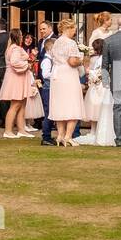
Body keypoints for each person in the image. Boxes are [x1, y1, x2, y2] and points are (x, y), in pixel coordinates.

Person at [48, 18, 85, 147]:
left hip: (57, 76)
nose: (75, 31)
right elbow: (72, 62)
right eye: (74, 29)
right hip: (68, 75)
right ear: (68, 29)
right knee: (73, 104)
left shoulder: (56, 42)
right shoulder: (70, 43)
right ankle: (68, 137)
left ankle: (60, 136)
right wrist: (81, 59)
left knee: (60, 105)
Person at [0, 32, 35, 138]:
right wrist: (27, 65)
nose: (22, 37)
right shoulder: (15, 49)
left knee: (22, 104)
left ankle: (21, 130)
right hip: (16, 79)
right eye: (21, 35)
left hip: (20, 78)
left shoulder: (14, 48)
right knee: (15, 105)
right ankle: (8, 131)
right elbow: (14, 62)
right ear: (18, 37)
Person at [37, 21, 56, 146]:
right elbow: (45, 72)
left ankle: (48, 135)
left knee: (50, 110)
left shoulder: (56, 40)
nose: (42, 31)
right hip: (47, 83)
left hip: (50, 84)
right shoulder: (41, 44)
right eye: (40, 29)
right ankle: (46, 136)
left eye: (44, 29)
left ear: (50, 28)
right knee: (48, 111)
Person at [82, 36, 106, 126]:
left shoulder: (102, 59)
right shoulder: (99, 58)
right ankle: (94, 130)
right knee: (94, 108)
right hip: (96, 85)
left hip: (100, 86)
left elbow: (100, 73)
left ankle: (97, 130)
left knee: (97, 107)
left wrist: (89, 71)